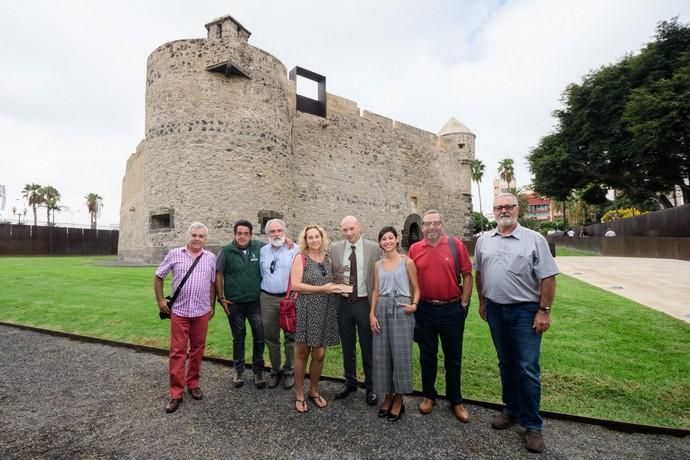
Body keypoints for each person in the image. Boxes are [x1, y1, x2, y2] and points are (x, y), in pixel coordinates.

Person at [474, 193, 559, 454]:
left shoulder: (534, 239)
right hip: (496, 310)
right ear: (493, 211)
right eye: (498, 207)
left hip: (525, 311)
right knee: (506, 363)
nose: (503, 211)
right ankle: (510, 409)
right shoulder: (484, 240)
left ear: (517, 210)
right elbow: (480, 272)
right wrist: (482, 302)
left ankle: (532, 425)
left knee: (527, 368)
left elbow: (548, 277)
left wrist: (543, 311)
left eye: (508, 206)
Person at [408, 209, 473, 423]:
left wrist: (463, 304)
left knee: (453, 357)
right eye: (427, 224)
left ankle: (456, 400)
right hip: (425, 309)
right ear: (423, 227)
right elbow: (409, 279)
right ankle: (429, 396)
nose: (431, 227)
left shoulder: (456, 246)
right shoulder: (415, 249)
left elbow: (467, 275)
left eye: (436, 223)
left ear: (442, 224)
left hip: (451, 309)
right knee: (427, 355)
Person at [154, 222, 217, 413]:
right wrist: (160, 300)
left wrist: (212, 305)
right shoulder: (175, 254)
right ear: (188, 236)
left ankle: (193, 384)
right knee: (177, 352)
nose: (197, 239)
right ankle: (176, 393)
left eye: (201, 236)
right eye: (194, 235)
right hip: (180, 311)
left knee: (198, 349)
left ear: (205, 239)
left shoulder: (210, 258)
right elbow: (158, 276)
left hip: (201, 311)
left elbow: (212, 283)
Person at [369, 226, 420, 422]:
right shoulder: (377, 264)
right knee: (382, 355)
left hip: (401, 308)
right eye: (383, 239)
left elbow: (416, 288)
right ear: (380, 243)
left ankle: (399, 398)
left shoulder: (408, 262)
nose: (387, 241)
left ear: (397, 239)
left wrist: (414, 305)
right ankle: (387, 395)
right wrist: (372, 314)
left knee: (400, 355)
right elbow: (375, 290)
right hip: (381, 308)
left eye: (390, 238)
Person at [290, 224, 341, 413]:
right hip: (306, 309)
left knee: (319, 354)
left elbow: (336, 280)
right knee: (302, 353)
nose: (314, 240)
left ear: (322, 238)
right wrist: (323, 289)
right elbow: (296, 285)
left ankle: (313, 390)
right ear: (305, 240)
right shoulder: (300, 258)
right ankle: (299, 393)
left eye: (316, 236)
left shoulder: (328, 258)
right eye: (310, 237)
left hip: (326, 309)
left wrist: (341, 287)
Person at [330, 215, 381, 406]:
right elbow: (334, 274)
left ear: (359, 228)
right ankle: (350, 381)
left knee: (368, 346)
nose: (349, 233)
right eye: (345, 230)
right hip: (343, 303)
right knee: (347, 345)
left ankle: (371, 386)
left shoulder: (373, 248)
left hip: (364, 303)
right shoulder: (335, 248)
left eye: (352, 229)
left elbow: (379, 276)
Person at [216, 220, 266, 389]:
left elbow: (277, 246)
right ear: (235, 234)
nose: (242, 236)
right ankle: (239, 370)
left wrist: (288, 242)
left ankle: (258, 371)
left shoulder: (260, 247)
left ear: (251, 235)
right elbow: (219, 274)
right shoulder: (226, 251)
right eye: (239, 233)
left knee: (259, 337)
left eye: (246, 233)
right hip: (234, 303)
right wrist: (221, 297)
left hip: (256, 302)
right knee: (239, 338)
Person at [259, 218, 299, 389]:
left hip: (289, 298)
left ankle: (289, 371)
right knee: (270, 337)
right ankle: (275, 371)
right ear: (267, 234)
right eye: (272, 232)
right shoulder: (262, 251)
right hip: (267, 298)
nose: (276, 234)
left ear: (284, 232)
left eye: (279, 231)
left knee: (291, 337)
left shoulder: (295, 248)